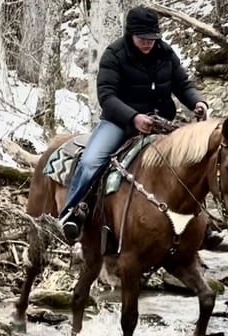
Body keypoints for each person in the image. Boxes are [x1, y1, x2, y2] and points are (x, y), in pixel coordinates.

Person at [58, 5, 216, 245]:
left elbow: (183, 84)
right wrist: (133, 117)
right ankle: (72, 215)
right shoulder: (114, 55)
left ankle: (202, 224)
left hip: (161, 123)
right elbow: (106, 96)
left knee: (193, 162)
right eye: (143, 38)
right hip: (120, 122)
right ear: (130, 34)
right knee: (90, 161)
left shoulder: (165, 53)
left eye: (152, 38)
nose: (148, 43)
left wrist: (198, 102)